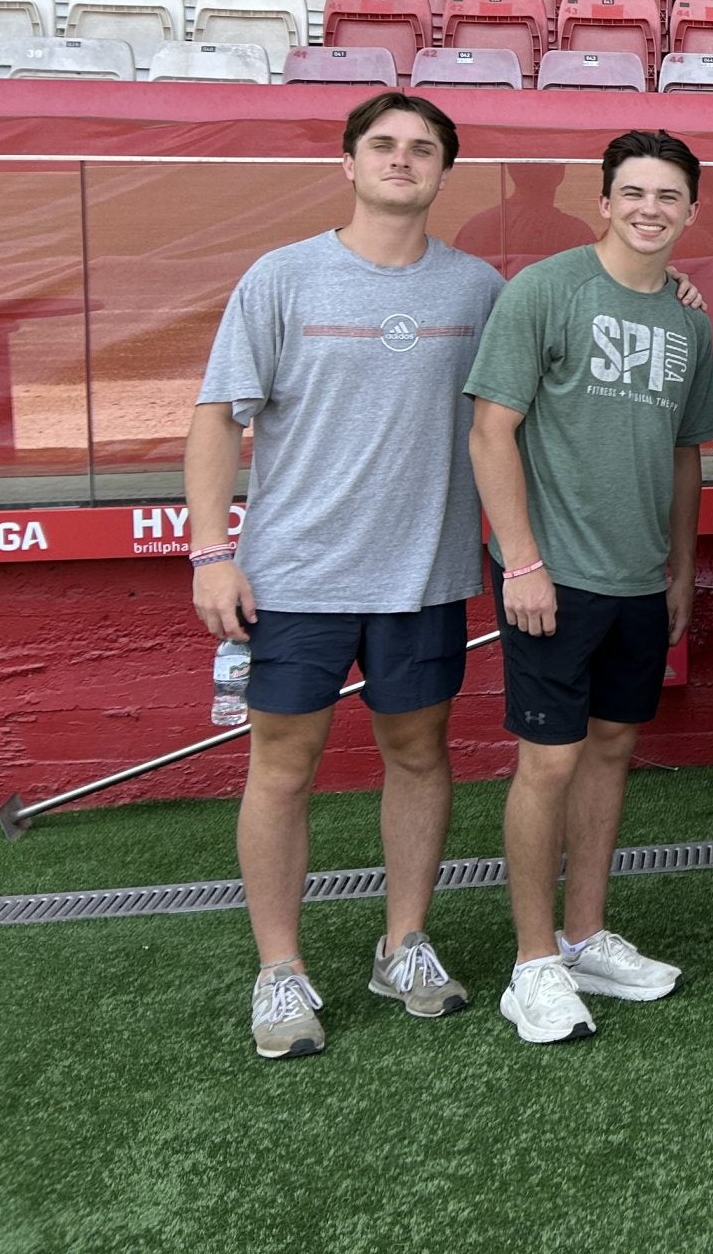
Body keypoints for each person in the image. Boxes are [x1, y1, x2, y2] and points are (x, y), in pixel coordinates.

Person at [188, 92, 502, 1060]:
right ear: (349, 162)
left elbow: (550, 363)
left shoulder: (479, 288)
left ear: (444, 171)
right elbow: (215, 418)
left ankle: (403, 944)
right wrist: (211, 552)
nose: (402, 161)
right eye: (384, 146)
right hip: (295, 578)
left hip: (424, 576)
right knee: (282, 767)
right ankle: (279, 972)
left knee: (418, 753)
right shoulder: (283, 278)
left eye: (421, 149)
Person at [467, 130, 713, 1045]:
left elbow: (690, 455)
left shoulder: (691, 321)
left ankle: (584, 937)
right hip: (552, 576)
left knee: (613, 753)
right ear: (604, 202)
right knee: (550, 761)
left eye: (670, 197)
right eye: (635, 193)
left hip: (637, 581)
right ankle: (532, 963)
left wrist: (681, 569)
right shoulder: (545, 291)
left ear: (692, 212)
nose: (652, 209)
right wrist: (523, 559)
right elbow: (492, 432)